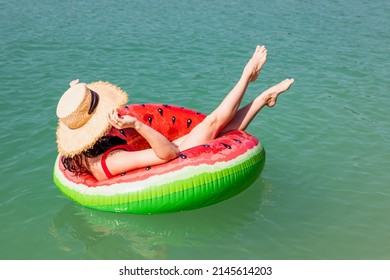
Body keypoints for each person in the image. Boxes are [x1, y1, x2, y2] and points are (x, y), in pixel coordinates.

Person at [56, 46, 294, 181]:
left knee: (216, 129)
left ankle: (263, 98)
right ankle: (247, 76)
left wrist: (75, 92)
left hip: (156, 157)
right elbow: (168, 154)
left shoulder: (84, 153)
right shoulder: (111, 160)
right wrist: (137, 126)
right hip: (168, 164)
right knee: (212, 123)